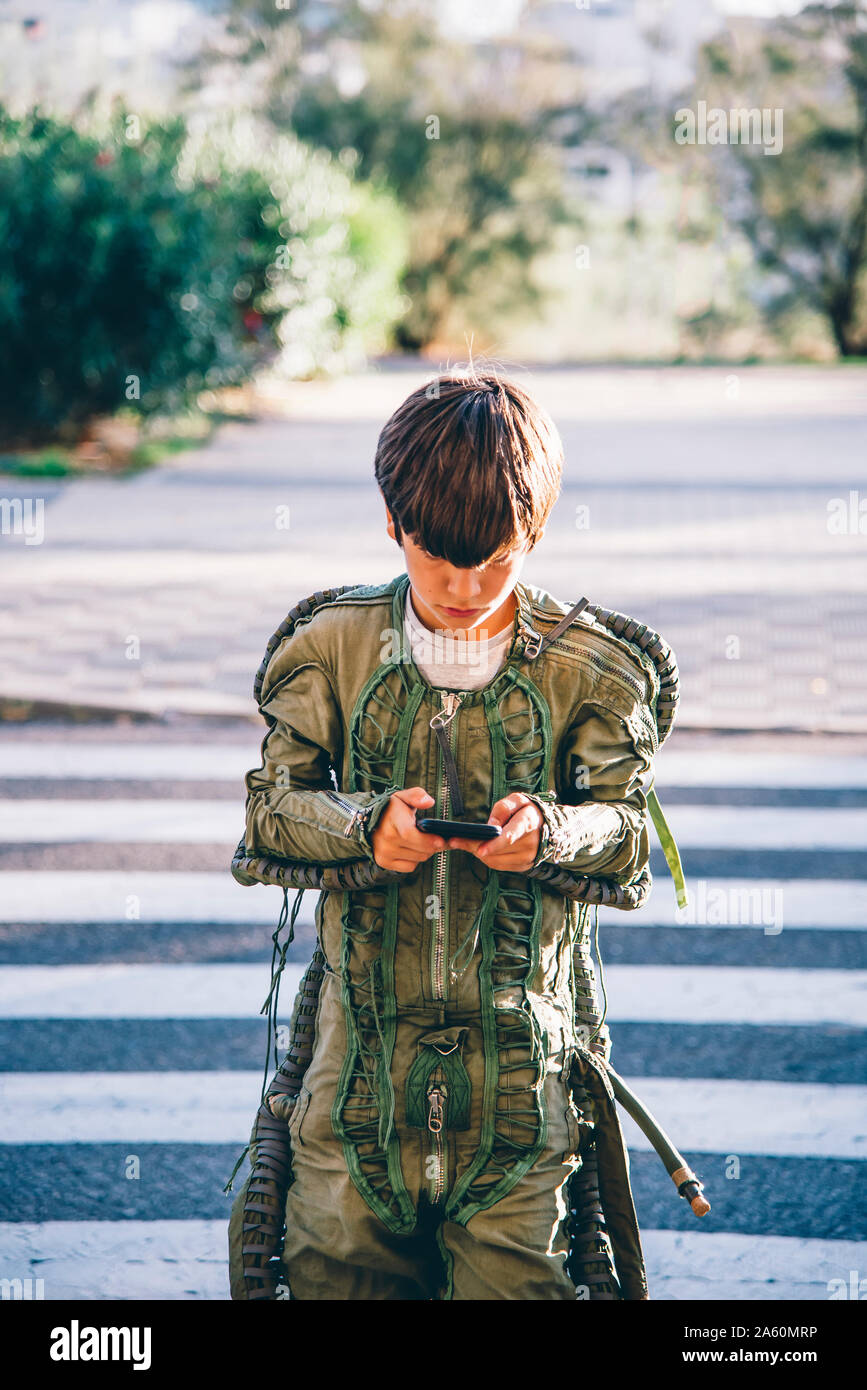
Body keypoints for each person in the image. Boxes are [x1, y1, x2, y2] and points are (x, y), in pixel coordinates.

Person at [228, 364, 666, 1300]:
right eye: (439, 559)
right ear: (393, 524)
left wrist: (551, 832)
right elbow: (269, 812)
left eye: (498, 559)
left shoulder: (592, 668)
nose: (467, 586)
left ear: (536, 532)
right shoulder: (330, 648)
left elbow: (632, 837)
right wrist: (361, 833)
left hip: (523, 1093)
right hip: (354, 1095)